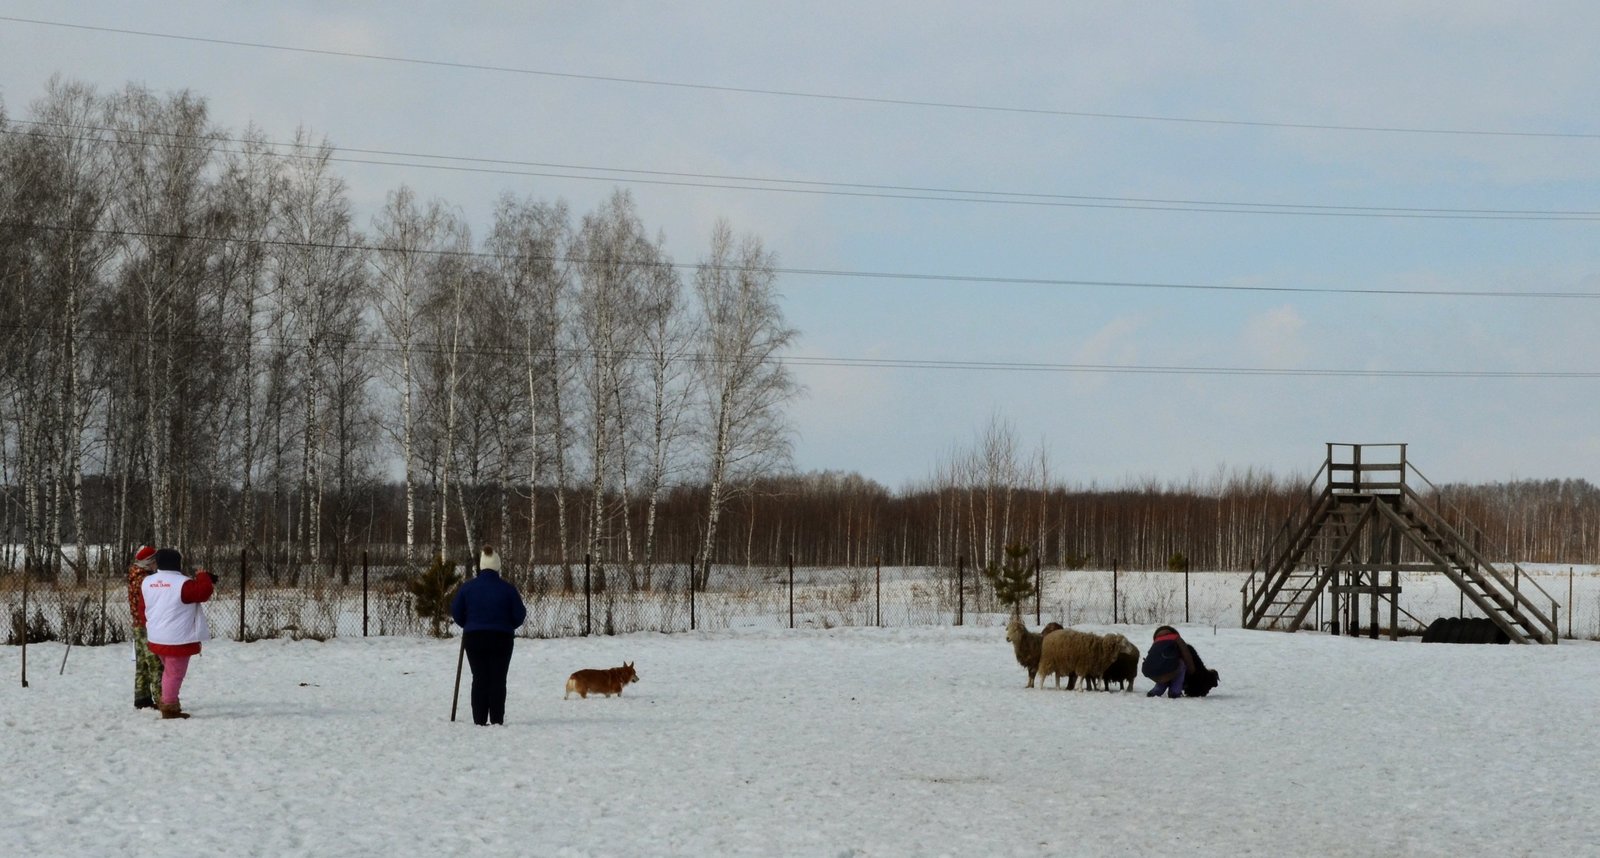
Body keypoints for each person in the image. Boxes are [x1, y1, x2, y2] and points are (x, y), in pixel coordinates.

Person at [449, 546, 527, 726]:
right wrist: (508, 625)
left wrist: (468, 624)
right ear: (497, 566)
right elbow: (519, 614)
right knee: (498, 678)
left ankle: (479, 719)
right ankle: (497, 719)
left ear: (481, 566)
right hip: (502, 638)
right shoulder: (508, 589)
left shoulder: (468, 588)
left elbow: (456, 611)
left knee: (479, 677)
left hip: (474, 637)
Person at [141, 548, 217, 720]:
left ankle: (167, 700)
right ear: (177, 563)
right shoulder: (183, 583)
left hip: (156, 636)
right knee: (174, 674)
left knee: (168, 671)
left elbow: (142, 607)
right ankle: (169, 706)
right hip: (177, 639)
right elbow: (203, 592)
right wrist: (203, 576)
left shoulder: (147, 582)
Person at [126, 545, 164, 711]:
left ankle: (142, 698)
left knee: (142, 663)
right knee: (155, 663)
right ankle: (161, 699)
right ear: (149, 562)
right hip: (147, 625)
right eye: (154, 561)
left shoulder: (135, 574)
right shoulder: (145, 580)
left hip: (138, 625)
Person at [1142, 625, 1195, 699]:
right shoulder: (1176, 638)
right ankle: (1175, 691)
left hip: (1149, 671)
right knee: (1181, 663)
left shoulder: (1157, 641)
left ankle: (1157, 690)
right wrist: (1192, 671)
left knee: (1163, 663)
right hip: (1168, 670)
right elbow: (1186, 655)